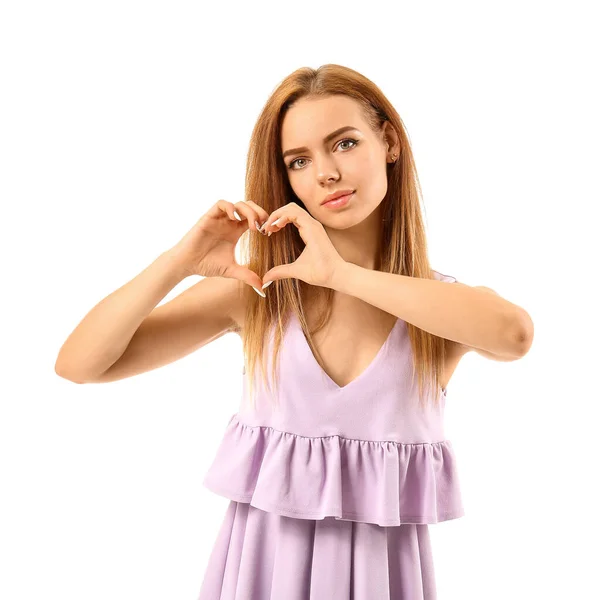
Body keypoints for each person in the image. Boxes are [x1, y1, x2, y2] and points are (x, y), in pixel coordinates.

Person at [55, 64, 534, 599]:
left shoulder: (436, 308)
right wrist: (177, 261)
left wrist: (343, 275)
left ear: (390, 143)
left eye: (345, 143)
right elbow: (79, 365)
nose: (325, 173)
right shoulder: (260, 293)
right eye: (299, 161)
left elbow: (514, 335)